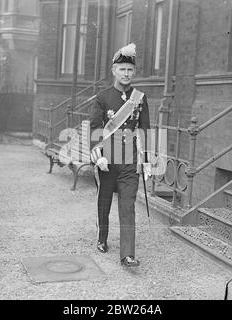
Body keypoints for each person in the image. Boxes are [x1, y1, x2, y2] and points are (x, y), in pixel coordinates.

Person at [90, 43, 151, 267]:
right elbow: (95, 129)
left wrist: (146, 163)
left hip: (129, 161)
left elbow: (145, 130)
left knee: (128, 204)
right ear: (114, 71)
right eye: (122, 69)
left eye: (130, 70)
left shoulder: (140, 98)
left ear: (134, 72)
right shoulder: (103, 97)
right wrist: (99, 156)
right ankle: (102, 237)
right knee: (104, 202)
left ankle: (127, 254)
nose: (126, 74)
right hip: (108, 160)